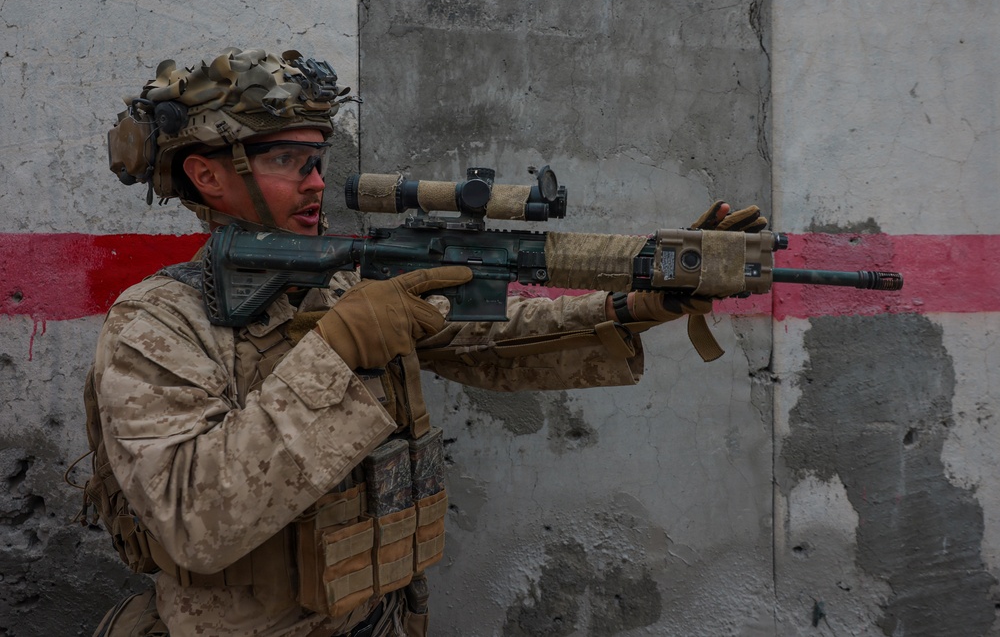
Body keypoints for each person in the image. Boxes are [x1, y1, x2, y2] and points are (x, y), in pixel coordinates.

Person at [81, 47, 764, 637]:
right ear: (207, 175)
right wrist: (338, 352)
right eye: (289, 159)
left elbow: (487, 340)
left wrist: (635, 301)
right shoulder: (158, 324)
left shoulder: (342, 284)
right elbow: (194, 518)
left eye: (318, 159)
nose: (317, 181)